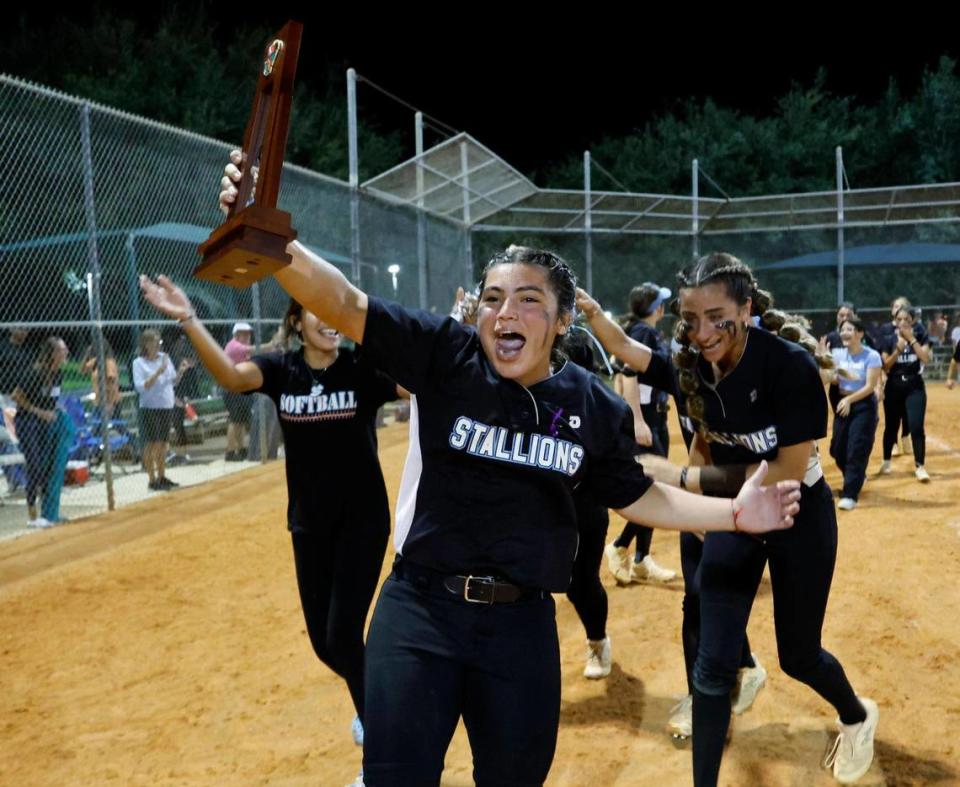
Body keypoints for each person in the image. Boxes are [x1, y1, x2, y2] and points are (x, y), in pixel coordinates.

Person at [576, 253, 878, 786]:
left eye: (718, 316)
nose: (703, 331)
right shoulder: (692, 361)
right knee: (712, 669)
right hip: (734, 519)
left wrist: (681, 479)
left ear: (747, 307)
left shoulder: (788, 366)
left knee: (800, 654)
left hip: (795, 511)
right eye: (691, 319)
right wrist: (591, 311)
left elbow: (781, 474)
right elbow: (630, 352)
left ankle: (856, 715)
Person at [140, 278, 404, 784]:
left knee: (344, 635)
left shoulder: (361, 368)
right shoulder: (281, 370)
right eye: (316, 311)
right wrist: (187, 318)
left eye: (335, 311)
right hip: (309, 523)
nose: (328, 319)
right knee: (326, 646)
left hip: (362, 522)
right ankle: (380, 704)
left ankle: (383, 750)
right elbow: (233, 378)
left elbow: (416, 384)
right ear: (295, 322)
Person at [604, 282, 678, 585]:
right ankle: (620, 546)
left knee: (655, 486)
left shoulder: (646, 331)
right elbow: (627, 375)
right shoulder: (642, 333)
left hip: (655, 417)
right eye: (660, 302)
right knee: (654, 486)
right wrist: (637, 420)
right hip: (644, 418)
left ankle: (642, 558)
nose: (663, 307)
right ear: (654, 308)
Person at [12, 336, 69, 528]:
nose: (66, 353)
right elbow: (16, 397)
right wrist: (40, 412)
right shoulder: (35, 373)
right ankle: (32, 516)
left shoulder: (58, 374)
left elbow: (51, 399)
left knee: (47, 466)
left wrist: (57, 408)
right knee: (35, 465)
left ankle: (47, 513)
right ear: (52, 354)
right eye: (62, 350)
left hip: (45, 423)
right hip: (28, 422)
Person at [827, 317, 882, 510]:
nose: (844, 333)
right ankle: (856, 474)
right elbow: (833, 380)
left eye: (849, 329)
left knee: (856, 449)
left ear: (860, 333)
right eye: (842, 329)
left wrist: (850, 400)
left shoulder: (872, 356)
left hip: (863, 405)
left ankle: (850, 494)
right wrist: (825, 366)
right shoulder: (837, 354)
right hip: (843, 403)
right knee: (836, 449)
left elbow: (870, 386)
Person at [878, 306, 932, 482]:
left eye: (906, 320)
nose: (902, 323)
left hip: (914, 385)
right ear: (894, 321)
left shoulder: (922, 336)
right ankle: (886, 461)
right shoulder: (888, 339)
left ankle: (920, 466)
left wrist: (911, 340)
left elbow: (925, 358)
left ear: (913, 321)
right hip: (893, 386)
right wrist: (898, 350)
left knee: (916, 426)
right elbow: (885, 365)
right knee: (891, 427)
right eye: (899, 319)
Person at [132, 329, 183, 491]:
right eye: (154, 342)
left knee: (163, 443)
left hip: (166, 405)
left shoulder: (164, 358)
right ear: (146, 344)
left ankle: (162, 476)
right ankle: (152, 479)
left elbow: (173, 381)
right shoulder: (138, 363)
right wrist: (158, 372)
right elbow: (141, 387)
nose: (157, 345)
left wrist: (181, 370)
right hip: (150, 406)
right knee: (151, 444)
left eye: (158, 342)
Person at [223, 322, 254, 461]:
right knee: (235, 420)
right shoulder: (234, 346)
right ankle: (230, 452)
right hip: (232, 388)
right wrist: (271, 344)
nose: (247, 336)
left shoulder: (243, 348)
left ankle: (241, 449)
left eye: (248, 333)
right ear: (236, 335)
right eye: (244, 333)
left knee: (240, 421)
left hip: (240, 387)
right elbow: (256, 350)